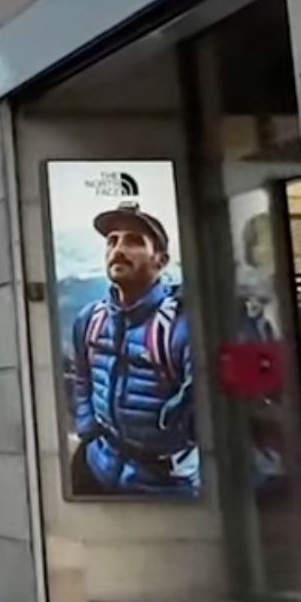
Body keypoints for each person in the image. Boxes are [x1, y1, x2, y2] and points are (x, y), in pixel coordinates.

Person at [67, 203, 198, 497]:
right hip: (96, 466)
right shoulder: (90, 320)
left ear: (160, 260)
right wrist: (87, 430)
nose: (118, 249)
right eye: (112, 241)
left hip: (164, 485)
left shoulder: (182, 326)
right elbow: (82, 379)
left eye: (134, 241)